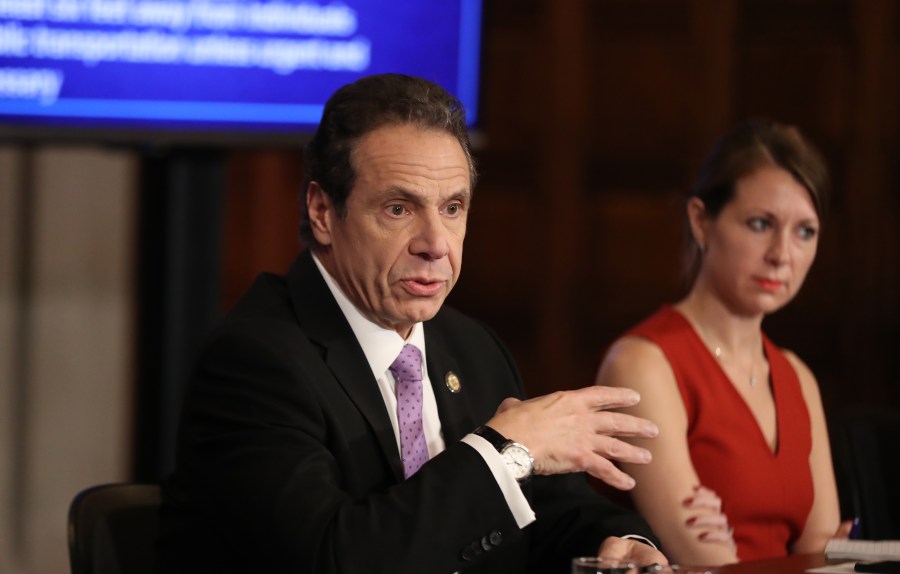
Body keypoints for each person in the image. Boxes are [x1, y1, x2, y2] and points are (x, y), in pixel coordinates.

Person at [157, 73, 667, 574]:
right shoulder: (255, 363)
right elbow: (331, 558)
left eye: (452, 208)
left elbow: (546, 509)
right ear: (322, 212)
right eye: (399, 209)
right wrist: (502, 451)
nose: (436, 243)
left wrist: (617, 542)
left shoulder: (470, 346)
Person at [594, 120, 846, 566]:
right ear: (701, 221)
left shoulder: (796, 376)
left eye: (805, 231)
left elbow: (822, 550)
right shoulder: (642, 363)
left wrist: (824, 556)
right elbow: (707, 560)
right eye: (760, 223)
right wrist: (817, 558)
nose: (782, 254)